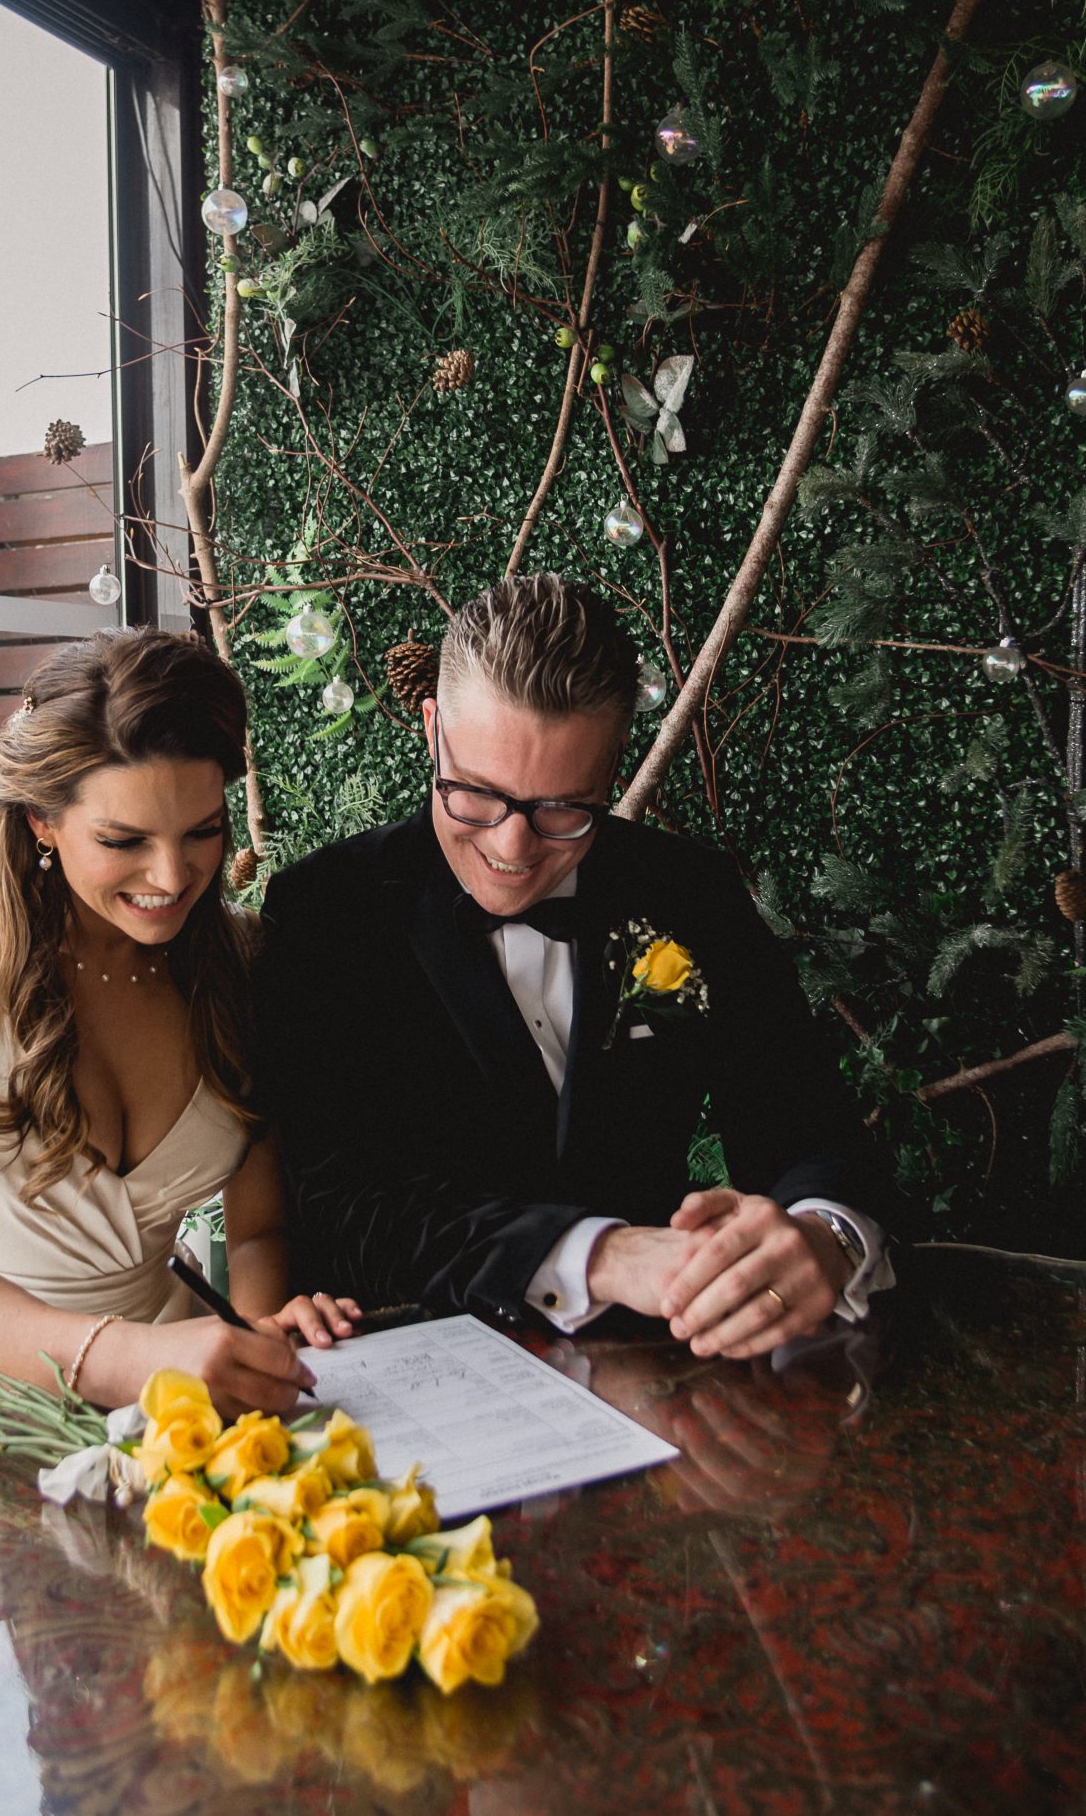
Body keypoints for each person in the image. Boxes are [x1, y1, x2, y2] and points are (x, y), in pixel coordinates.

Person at [0, 627, 356, 1529]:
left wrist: (262, 1342)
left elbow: (260, 1226)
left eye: (202, 831)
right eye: (124, 839)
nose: (173, 876)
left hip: (167, 1369)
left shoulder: (240, 962)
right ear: (41, 819)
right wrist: (130, 1362)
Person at [258, 574, 897, 1358]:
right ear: (430, 728)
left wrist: (823, 1236)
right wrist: (601, 1254)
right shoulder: (325, 909)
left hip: (663, 1375)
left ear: (613, 764)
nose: (511, 848)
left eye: (564, 808)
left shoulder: (684, 893)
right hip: (411, 1381)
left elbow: (805, 1121)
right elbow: (343, 1206)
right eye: (476, 796)